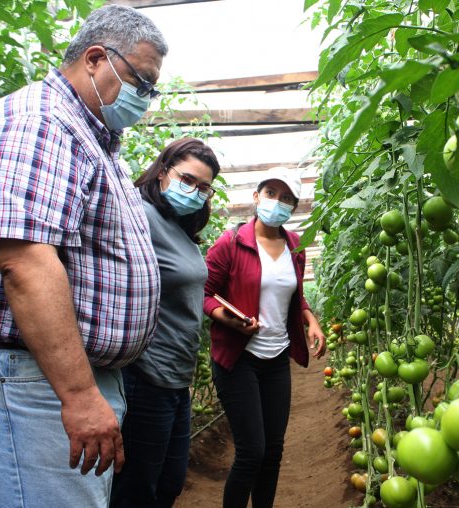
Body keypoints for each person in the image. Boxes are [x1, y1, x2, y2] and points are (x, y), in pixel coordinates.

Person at [0, 6, 167, 507]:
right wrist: (80, 395)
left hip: (46, 379)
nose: (145, 100)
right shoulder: (39, 122)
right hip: (28, 380)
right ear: (95, 59)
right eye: (141, 83)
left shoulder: (88, 135)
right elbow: (25, 261)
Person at [203, 166, 327, 508]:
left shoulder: (295, 245)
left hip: (276, 359)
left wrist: (310, 320)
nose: (278, 202)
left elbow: (295, 294)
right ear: (256, 196)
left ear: (294, 207)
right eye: (271, 194)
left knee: (273, 451)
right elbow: (206, 293)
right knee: (251, 452)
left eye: (286, 198)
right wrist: (228, 320)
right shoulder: (231, 243)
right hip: (238, 359)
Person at [110, 138, 220, 507]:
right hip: (144, 376)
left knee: (169, 484)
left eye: (204, 188)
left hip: (175, 378)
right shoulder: (138, 215)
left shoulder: (182, 231)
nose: (195, 192)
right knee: (138, 490)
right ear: (162, 172)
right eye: (187, 180)